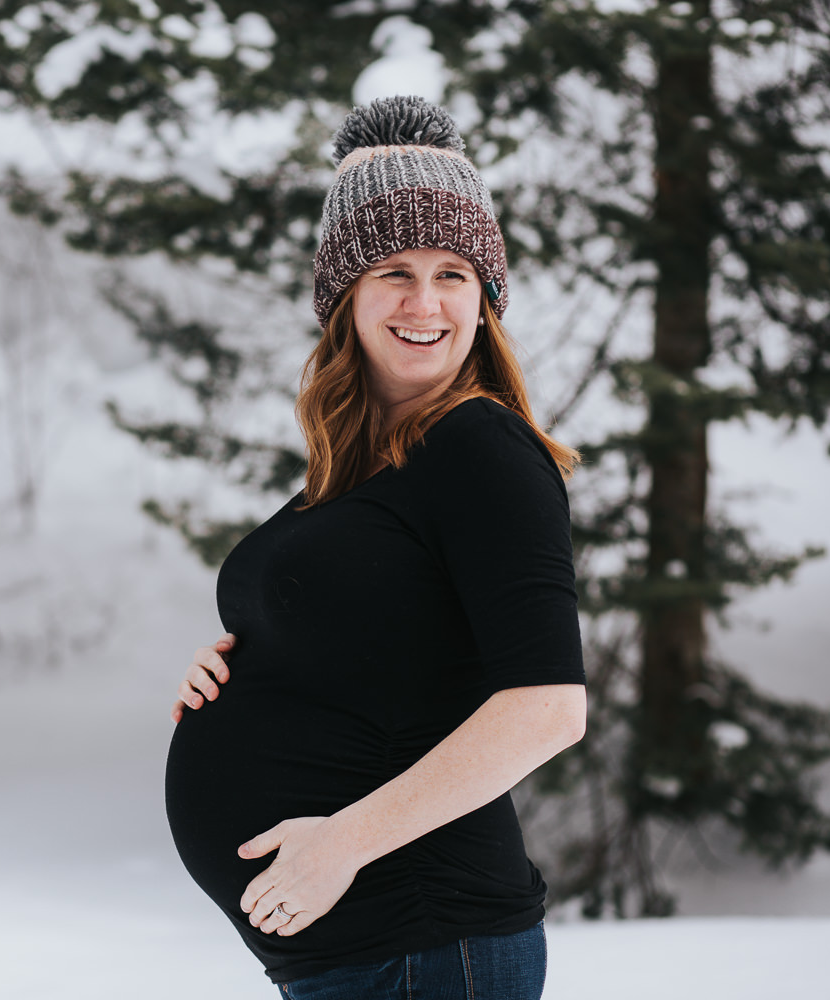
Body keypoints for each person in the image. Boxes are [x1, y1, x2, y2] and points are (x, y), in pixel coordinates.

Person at [163, 95, 587, 1000]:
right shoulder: (365, 467)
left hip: (427, 944)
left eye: (453, 274)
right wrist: (243, 665)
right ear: (344, 294)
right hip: (379, 958)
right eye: (393, 270)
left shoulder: (482, 447)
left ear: (486, 300)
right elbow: (383, 652)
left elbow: (549, 709)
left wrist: (340, 845)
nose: (424, 302)